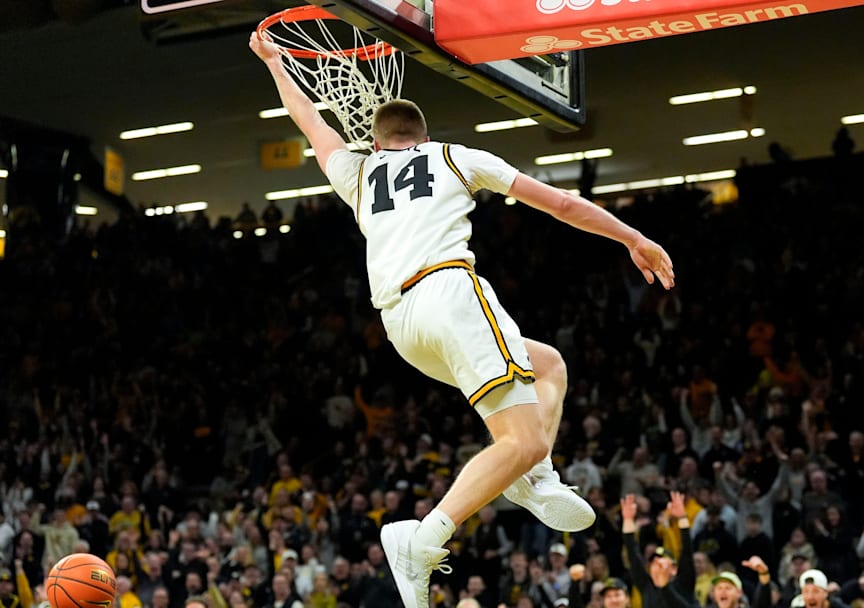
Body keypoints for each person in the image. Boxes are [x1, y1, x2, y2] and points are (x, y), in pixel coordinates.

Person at [249, 31, 675, 608]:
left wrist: (277, 63)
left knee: (548, 364)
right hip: (449, 293)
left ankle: (535, 476)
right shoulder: (454, 155)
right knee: (519, 439)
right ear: (423, 137)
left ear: (376, 143)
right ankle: (422, 540)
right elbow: (563, 205)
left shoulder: (358, 174)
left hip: (401, 328)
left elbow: (309, 121)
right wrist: (633, 237)